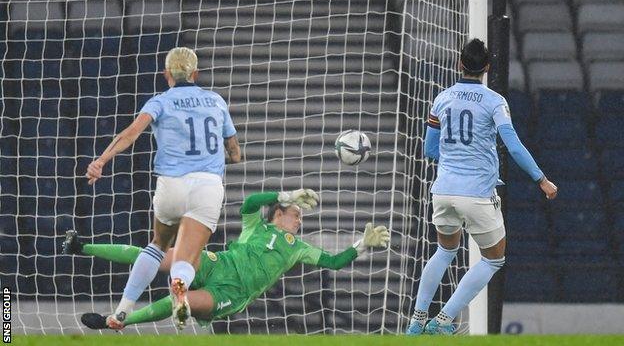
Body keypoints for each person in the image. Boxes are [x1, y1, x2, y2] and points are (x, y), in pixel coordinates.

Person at [64, 189, 390, 330]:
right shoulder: (255, 226)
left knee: (186, 300)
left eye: (300, 217)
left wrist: (361, 244)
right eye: (294, 214)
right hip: (219, 263)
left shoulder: (299, 248)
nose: (299, 219)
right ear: (278, 214)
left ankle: (120, 321)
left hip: (232, 293)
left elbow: (333, 262)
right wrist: (285, 195)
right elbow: (249, 203)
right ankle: (82, 247)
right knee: (161, 254)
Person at [405, 39, 558, 335]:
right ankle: (444, 320)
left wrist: (455, 158)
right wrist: (541, 179)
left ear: (459, 64)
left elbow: (430, 149)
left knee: (444, 251)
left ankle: (417, 319)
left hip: (444, 190)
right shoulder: (494, 101)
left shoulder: (442, 99)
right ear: (487, 67)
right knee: (493, 258)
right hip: (476, 193)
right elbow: (513, 147)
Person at [84, 47, 241, 329]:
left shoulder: (160, 101)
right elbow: (234, 150)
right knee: (187, 257)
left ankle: (122, 311)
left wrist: (101, 161)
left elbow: (130, 133)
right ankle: (179, 290)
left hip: (172, 185)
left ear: (166, 74)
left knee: (158, 245)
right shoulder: (216, 100)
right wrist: (229, 156)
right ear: (196, 73)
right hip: (207, 186)